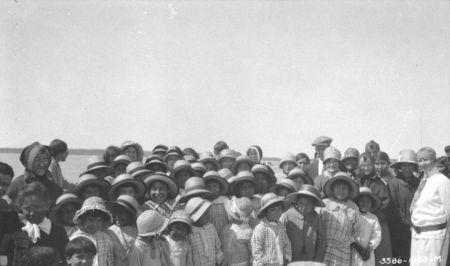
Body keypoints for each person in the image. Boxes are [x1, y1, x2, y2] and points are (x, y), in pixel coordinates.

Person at [9, 182, 68, 265]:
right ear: (20, 207)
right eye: (27, 208)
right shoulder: (15, 231)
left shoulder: (59, 233)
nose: (32, 213)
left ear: (47, 205)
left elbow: (65, 259)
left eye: (37, 207)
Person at [410, 147, 450, 266]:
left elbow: (448, 210)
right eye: (420, 160)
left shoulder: (443, 181)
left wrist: (446, 239)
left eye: (425, 159)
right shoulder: (424, 181)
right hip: (417, 234)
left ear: (434, 160)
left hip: (434, 236)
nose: (422, 163)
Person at [357, 152, 393, 263]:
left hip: (377, 219)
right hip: (361, 219)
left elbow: (385, 201)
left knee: (380, 252)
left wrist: (370, 210)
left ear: (373, 165)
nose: (366, 168)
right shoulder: (358, 180)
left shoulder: (379, 182)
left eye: (369, 165)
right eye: (363, 166)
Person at [321, 172, 360, 265]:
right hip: (324, 248)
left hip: (343, 251)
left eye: (344, 188)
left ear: (349, 190)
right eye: (338, 187)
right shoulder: (324, 204)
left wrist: (346, 241)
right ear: (332, 188)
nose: (341, 191)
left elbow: (356, 231)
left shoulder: (353, 207)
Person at [281, 184, 326, 262]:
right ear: (297, 202)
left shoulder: (317, 218)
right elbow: (280, 238)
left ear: (314, 205)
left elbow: (321, 243)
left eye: (308, 204)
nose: (304, 207)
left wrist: (317, 261)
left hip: (310, 261)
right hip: (290, 260)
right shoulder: (288, 215)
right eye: (301, 203)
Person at [71, 196, 114, 266]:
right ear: (83, 220)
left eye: (99, 220)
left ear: (103, 222)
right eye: (90, 220)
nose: (95, 224)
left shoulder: (106, 239)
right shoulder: (75, 238)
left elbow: (110, 261)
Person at [251, 193, 291, 266]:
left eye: (279, 209)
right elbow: (256, 251)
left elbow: (287, 244)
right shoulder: (260, 228)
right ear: (265, 212)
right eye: (273, 210)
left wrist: (286, 259)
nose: (277, 212)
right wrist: (265, 262)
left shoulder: (281, 226)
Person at [185, 197, 224, 266]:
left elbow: (217, 246)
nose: (208, 216)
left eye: (208, 213)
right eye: (205, 214)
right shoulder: (189, 233)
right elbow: (188, 256)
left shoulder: (211, 228)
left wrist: (219, 260)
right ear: (197, 216)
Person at [351, 187, 382, 266]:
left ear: (371, 204)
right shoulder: (353, 214)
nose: (365, 204)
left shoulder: (373, 218)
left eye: (368, 202)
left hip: (367, 252)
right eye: (363, 201)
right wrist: (356, 246)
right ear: (358, 202)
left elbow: (377, 235)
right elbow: (348, 232)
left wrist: (370, 246)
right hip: (353, 250)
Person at [106, 195, 139, 266]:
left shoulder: (138, 230)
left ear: (131, 215)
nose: (118, 215)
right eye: (116, 211)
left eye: (123, 212)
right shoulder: (110, 231)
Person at [222, 197, 254, 266]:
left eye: (235, 213)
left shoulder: (248, 231)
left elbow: (252, 251)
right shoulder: (228, 227)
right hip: (226, 262)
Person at [203, 171, 230, 242]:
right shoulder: (203, 202)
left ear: (220, 187)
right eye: (208, 187)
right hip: (208, 237)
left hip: (225, 235)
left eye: (215, 186)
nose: (212, 190)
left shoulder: (225, 201)